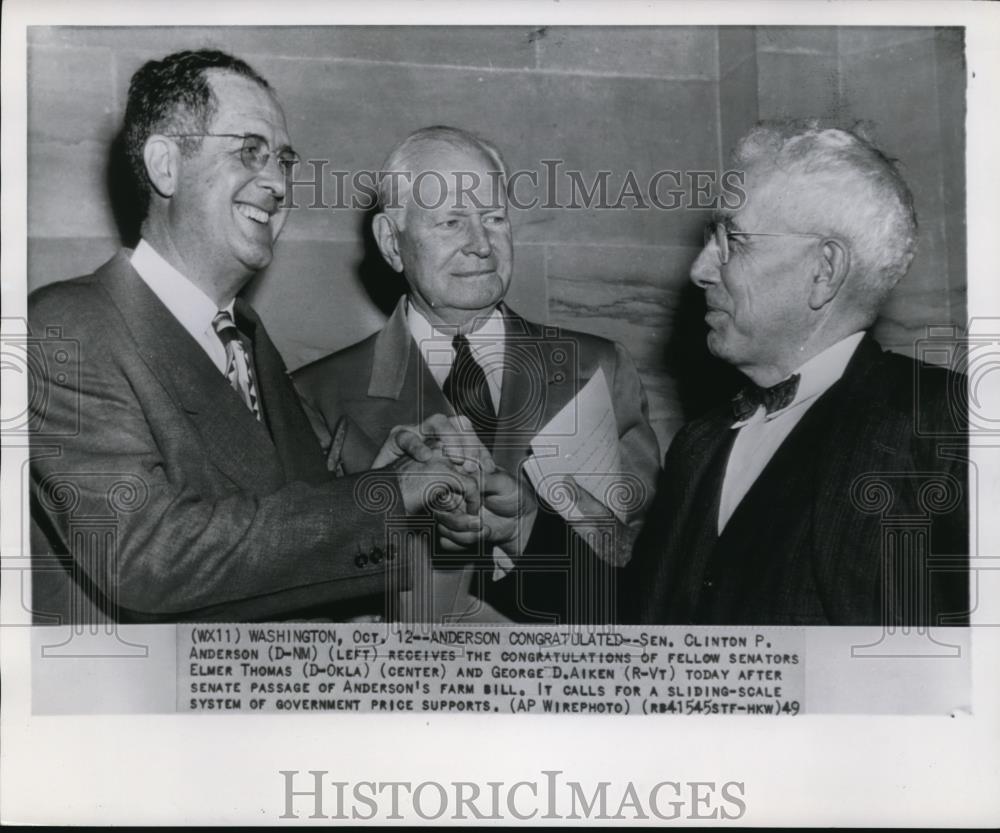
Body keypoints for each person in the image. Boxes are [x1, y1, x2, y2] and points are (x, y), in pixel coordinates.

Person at [28, 51, 488, 624]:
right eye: (249, 151)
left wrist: (381, 480)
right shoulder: (65, 326)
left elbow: (279, 529)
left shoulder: (244, 334)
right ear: (165, 165)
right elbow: (146, 556)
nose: (276, 182)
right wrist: (389, 494)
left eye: (284, 160)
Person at [294, 126, 660, 624]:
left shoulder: (596, 366)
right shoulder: (317, 394)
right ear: (391, 243)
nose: (481, 244)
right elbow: (301, 582)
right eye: (450, 222)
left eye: (494, 218)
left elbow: (654, 565)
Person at [626, 124, 968, 626]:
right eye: (708, 240)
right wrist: (524, 525)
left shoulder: (943, 425)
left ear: (824, 269)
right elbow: (635, 631)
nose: (699, 270)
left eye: (733, 241)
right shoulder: (701, 444)